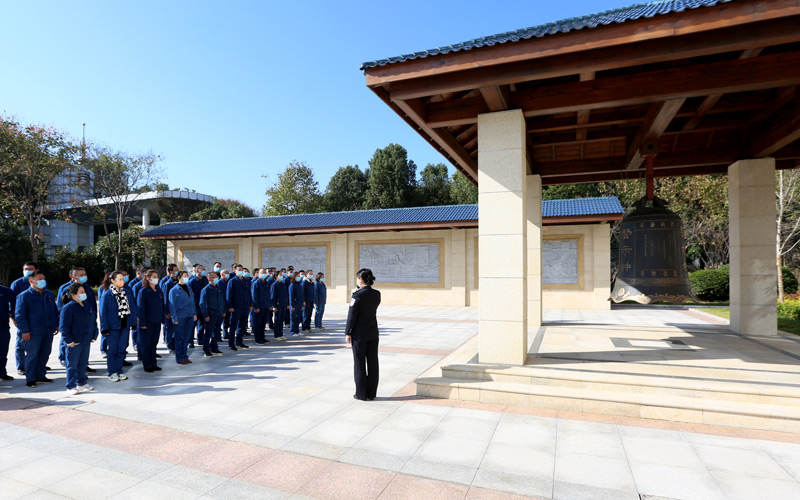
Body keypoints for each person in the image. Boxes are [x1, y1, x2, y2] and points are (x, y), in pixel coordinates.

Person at [15, 270, 59, 388]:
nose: (42, 281)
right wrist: (24, 331)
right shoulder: (24, 296)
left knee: (45, 354)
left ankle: (41, 375)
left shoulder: (48, 294)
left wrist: (56, 324)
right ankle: (30, 378)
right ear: (31, 281)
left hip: (48, 330)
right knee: (32, 355)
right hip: (33, 332)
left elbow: (54, 310)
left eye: (43, 279)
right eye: (39, 279)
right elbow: (20, 315)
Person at [345, 269, 381, 401]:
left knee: (359, 363)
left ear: (361, 279)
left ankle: (361, 393)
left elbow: (351, 316)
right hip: (373, 332)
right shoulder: (377, 294)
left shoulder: (357, 295)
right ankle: (371, 393)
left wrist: (348, 332)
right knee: (373, 362)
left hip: (359, 334)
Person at [57, 267, 97, 373]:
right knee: (68, 342)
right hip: (72, 320)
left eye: (85, 274)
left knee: (84, 345)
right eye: (81, 275)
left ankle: (83, 365)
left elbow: (92, 304)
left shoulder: (87, 288)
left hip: (85, 319)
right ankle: (65, 360)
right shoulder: (66, 288)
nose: (84, 276)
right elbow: (61, 305)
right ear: (73, 276)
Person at [60, 283, 95, 394]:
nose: (84, 294)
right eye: (81, 292)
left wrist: (94, 335)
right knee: (72, 365)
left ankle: (82, 382)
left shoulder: (87, 306)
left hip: (86, 340)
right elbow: (64, 327)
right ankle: (70, 386)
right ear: (74, 295)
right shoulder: (68, 308)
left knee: (83, 364)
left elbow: (93, 322)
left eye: (84, 292)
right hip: (74, 342)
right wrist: (68, 341)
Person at [99, 271, 135, 382]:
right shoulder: (107, 294)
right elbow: (102, 312)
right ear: (113, 281)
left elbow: (132, 308)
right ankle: (112, 372)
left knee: (121, 350)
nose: (122, 281)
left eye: (123, 279)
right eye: (119, 279)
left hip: (124, 325)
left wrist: (133, 323)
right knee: (112, 350)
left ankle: (119, 370)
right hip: (113, 327)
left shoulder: (126, 292)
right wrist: (104, 328)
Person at [10, 261, 37, 376]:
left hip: (37, 318)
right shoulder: (17, 284)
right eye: (26, 269)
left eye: (30, 268)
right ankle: (21, 366)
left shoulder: (40, 282)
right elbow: (12, 302)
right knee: (21, 343)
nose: (28, 271)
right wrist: (13, 317)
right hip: (22, 318)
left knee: (37, 343)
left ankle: (36, 364)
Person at [137, 269, 164, 372]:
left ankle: (153, 363)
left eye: (157, 277)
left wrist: (162, 319)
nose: (156, 279)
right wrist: (142, 323)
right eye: (153, 277)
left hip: (156, 321)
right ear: (147, 278)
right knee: (146, 345)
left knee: (153, 344)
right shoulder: (143, 291)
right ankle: (147, 365)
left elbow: (162, 305)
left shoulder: (158, 290)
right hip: (147, 322)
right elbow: (140, 308)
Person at [169, 271, 196, 365]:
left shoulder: (188, 288)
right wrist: (174, 319)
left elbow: (192, 302)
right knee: (179, 338)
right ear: (179, 278)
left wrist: (194, 313)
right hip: (180, 317)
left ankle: (185, 356)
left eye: (187, 276)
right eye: (184, 276)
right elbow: (172, 306)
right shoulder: (174, 290)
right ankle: (180, 357)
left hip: (189, 316)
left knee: (186, 338)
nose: (186, 277)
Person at [199, 272, 225, 357]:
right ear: (210, 279)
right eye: (214, 277)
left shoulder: (219, 288)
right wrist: (206, 315)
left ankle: (214, 347)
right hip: (211, 314)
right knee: (208, 333)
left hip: (219, 313)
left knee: (217, 332)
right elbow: (202, 304)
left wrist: (223, 311)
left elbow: (223, 301)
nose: (217, 278)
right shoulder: (206, 290)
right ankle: (206, 349)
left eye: (217, 277)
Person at [226, 266, 250, 350]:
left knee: (242, 325)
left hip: (245, 306)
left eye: (241, 270)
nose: (240, 272)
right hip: (236, 307)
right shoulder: (232, 281)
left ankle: (239, 342)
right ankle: (231, 344)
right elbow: (228, 295)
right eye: (239, 270)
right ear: (235, 271)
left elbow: (249, 294)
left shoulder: (246, 281)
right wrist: (230, 306)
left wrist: (250, 304)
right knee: (233, 326)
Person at [188, 265, 208, 349]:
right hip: (195, 305)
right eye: (202, 269)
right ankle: (190, 341)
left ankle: (200, 339)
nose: (204, 271)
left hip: (203, 305)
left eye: (204, 269)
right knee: (192, 324)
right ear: (197, 271)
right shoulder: (192, 281)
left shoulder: (205, 279)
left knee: (202, 324)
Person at [160, 264, 178, 352]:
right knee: (169, 329)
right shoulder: (167, 284)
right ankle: (170, 345)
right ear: (171, 272)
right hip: (170, 311)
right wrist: (167, 311)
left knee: (176, 329)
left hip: (178, 310)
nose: (177, 272)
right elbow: (165, 299)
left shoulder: (178, 282)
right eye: (176, 270)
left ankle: (175, 344)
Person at [0, 283, 16, 382]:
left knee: (2, 351)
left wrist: (11, 313)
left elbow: (16, 304)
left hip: (3, 327)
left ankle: (2, 372)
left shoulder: (6, 291)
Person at [250, 268, 270, 345]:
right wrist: (256, 307)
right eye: (262, 273)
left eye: (265, 272)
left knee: (263, 323)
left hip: (265, 306)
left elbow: (268, 295)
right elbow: (254, 297)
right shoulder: (256, 284)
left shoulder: (266, 283)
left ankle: (262, 337)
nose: (264, 274)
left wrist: (269, 305)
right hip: (259, 307)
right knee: (257, 324)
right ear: (258, 274)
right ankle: (258, 339)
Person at [269, 271, 288, 341]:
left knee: (281, 320)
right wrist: (274, 306)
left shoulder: (283, 284)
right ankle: (277, 335)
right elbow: (272, 297)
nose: (281, 276)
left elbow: (285, 295)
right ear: (276, 276)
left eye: (282, 275)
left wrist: (286, 304)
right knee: (277, 320)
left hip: (283, 304)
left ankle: (281, 333)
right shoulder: (274, 285)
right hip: (277, 305)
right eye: (280, 275)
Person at [288, 272, 305, 337]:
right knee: (293, 318)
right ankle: (293, 331)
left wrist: (302, 304)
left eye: (299, 276)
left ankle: (297, 330)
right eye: (297, 276)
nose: (299, 277)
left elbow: (301, 295)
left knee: (298, 318)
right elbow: (291, 296)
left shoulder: (299, 284)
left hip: (299, 304)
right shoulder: (292, 285)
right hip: (294, 305)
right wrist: (292, 305)